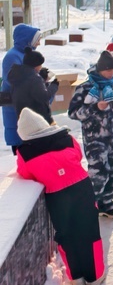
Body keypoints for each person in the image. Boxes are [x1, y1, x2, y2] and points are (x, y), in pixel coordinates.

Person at [15, 109, 106, 284]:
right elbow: (78, 155)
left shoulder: (24, 152)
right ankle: (95, 276)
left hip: (56, 196)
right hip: (81, 188)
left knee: (66, 236)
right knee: (89, 231)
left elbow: (25, 173)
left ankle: (75, 277)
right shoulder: (66, 138)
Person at [68, 50, 113, 218]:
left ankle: (106, 205)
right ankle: (88, 207)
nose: (111, 73)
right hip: (95, 139)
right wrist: (94, 108)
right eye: (108, 70)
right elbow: (73, 113)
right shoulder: (85, 88)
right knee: (98, 173)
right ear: (100, 69)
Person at [7, 47, 58, 125]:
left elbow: (29, 91)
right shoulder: (34, 79)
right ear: (35, 65)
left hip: (23, 118)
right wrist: (54, 86)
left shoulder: (17, 75)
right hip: (38, 119)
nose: (41, 67)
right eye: (40, 64)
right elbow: (43, 96)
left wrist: (41, 79)